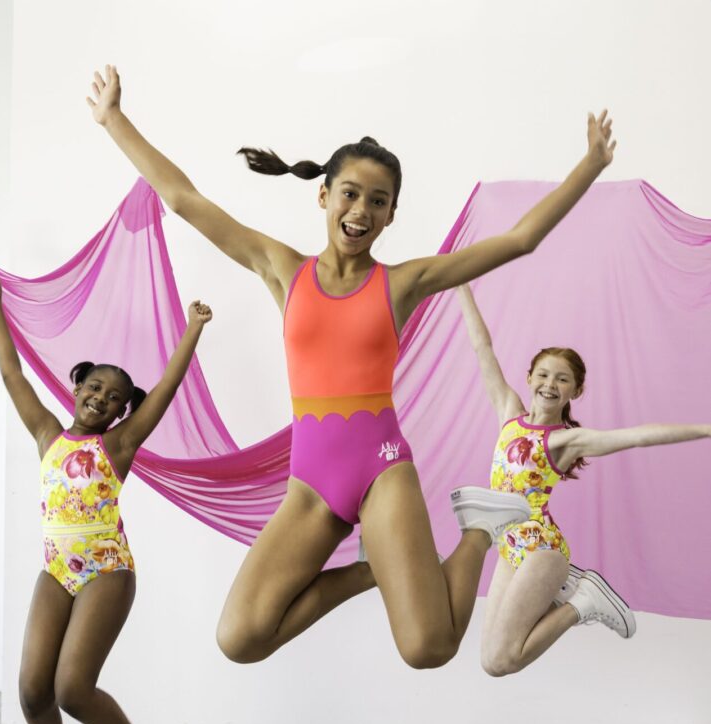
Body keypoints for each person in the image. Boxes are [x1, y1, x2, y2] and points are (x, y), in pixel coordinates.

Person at [88, 64, 615, 670]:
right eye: (351, 193)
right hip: (312, 482)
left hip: (382, 469)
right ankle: (370, 571)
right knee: (241, 638)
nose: (362, 210)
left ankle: (480, 528)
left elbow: (520, 240)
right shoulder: (281, 268)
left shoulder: (403, 283)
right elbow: (184, 200)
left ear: (391, 214)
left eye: (379, 200)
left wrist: (591, 166)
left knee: (430, 647)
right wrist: (113, 120)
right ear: (324, 194)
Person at [0, 269, 212, 724]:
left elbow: (163, 392)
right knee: (33, 690)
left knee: (71, 687)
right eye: (94, 387)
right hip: (57, 571)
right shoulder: (46, 434)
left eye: (114, 398)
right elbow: (12, 371)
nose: (101, 399)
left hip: (107, 571)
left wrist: (193, 330)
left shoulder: (119, 445)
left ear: (120, 413)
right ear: (77, 386)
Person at [457, 283, 710, 675]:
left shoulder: (566, 441)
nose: (549, 384)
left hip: (542, 550)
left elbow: (639, 436)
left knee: (505, 659)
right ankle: (581, 595)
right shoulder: (508, 412)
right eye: (543, 374)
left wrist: (705, 430)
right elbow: (481, 347)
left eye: (562, 379)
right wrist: (458, 280)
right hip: (509, 548)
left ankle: (585, 601)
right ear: (528, 377)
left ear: (576, 389)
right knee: (493, 662)